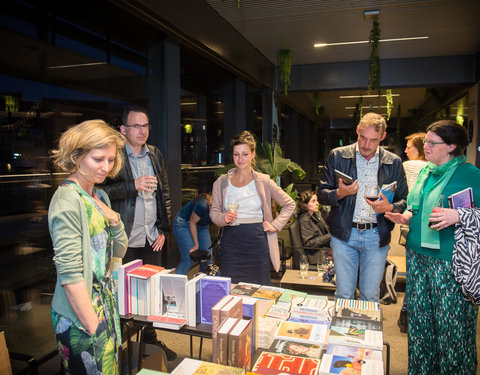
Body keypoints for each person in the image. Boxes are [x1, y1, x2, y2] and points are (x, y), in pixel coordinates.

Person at [385, 120, 480, 375]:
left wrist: (459, 215)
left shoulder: (471, 175)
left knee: (453, 331)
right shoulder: (427, 172)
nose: (425, 146)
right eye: (425, 141)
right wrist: (404, 216)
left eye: (431, 142)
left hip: (451, 263)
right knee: (420, 326)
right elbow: (416, 207)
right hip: (417, 257)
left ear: (451, 146)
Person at [48, 120, 128, 373]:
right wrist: (93, 327)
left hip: (104, 304)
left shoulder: (99, 196)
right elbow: (70, 276)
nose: (106, 167)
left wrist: (114, 218)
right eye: (98, 159)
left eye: (111, 160)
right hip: (80, 313)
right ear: (76, 156)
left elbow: (118, 250)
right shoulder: (67, 201)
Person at [101, 105, 175, 360]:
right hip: (125, 240)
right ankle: (118, 349)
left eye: (145, 126)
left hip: (151, 238)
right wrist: (133, 186)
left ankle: (150, 343)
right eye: (136, 126)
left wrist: (164, 229)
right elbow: (102, 194)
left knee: (151, 294)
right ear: (123, 130)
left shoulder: (155, 154)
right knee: (124, 299)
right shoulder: (114, 157)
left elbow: (165, 192)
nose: (141, 131)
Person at [317, 112, 407, 302]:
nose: (366, 145)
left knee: (370, 295)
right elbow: (321, 195)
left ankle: (367, 332)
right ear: (357, 131)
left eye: (373, 140)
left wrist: (389, 207)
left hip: (376, 236)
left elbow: (404, 201)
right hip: (343, 235)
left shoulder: (394, 162)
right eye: (362, 138)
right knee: (343, 295)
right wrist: (341, 193)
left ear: (382, 137)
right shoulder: (338, 156)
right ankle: (342, 332)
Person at [210, 130, 295, 285]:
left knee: (259, 291)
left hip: (257, 244)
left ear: (253, 154)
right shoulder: (221, 182)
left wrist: (275, 225)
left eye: (245, 154)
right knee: (231, 292)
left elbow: (289, 204)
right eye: (236, 154)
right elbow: (213, 212)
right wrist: (223, 218)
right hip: (231, 245)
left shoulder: (263, 181)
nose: (240, 159)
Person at [398, 132, 427, 333]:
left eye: (410, 147)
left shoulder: (410, 166)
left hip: (411, 224)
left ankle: (406, 315)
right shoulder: (434, 169)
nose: (406, 150)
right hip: (427, 227)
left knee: (414, 272)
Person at [173, 193, 212, 275]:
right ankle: (176, 285)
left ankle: (202, 283)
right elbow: (192, 222)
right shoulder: (203, 205)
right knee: (188, 258)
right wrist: (196, 244)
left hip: (201, 225)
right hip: (184, 223)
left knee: (208, 257)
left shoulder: (223, 209)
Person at [296, 190, 331, 266]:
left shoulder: (315, 214)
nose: (317, 203)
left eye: (317, 201)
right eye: (313, 201)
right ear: (304, 204)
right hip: (317, 255)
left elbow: (325, 231)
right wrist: (330, 236)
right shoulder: (304, 220)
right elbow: (309, 243)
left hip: (324, 249)